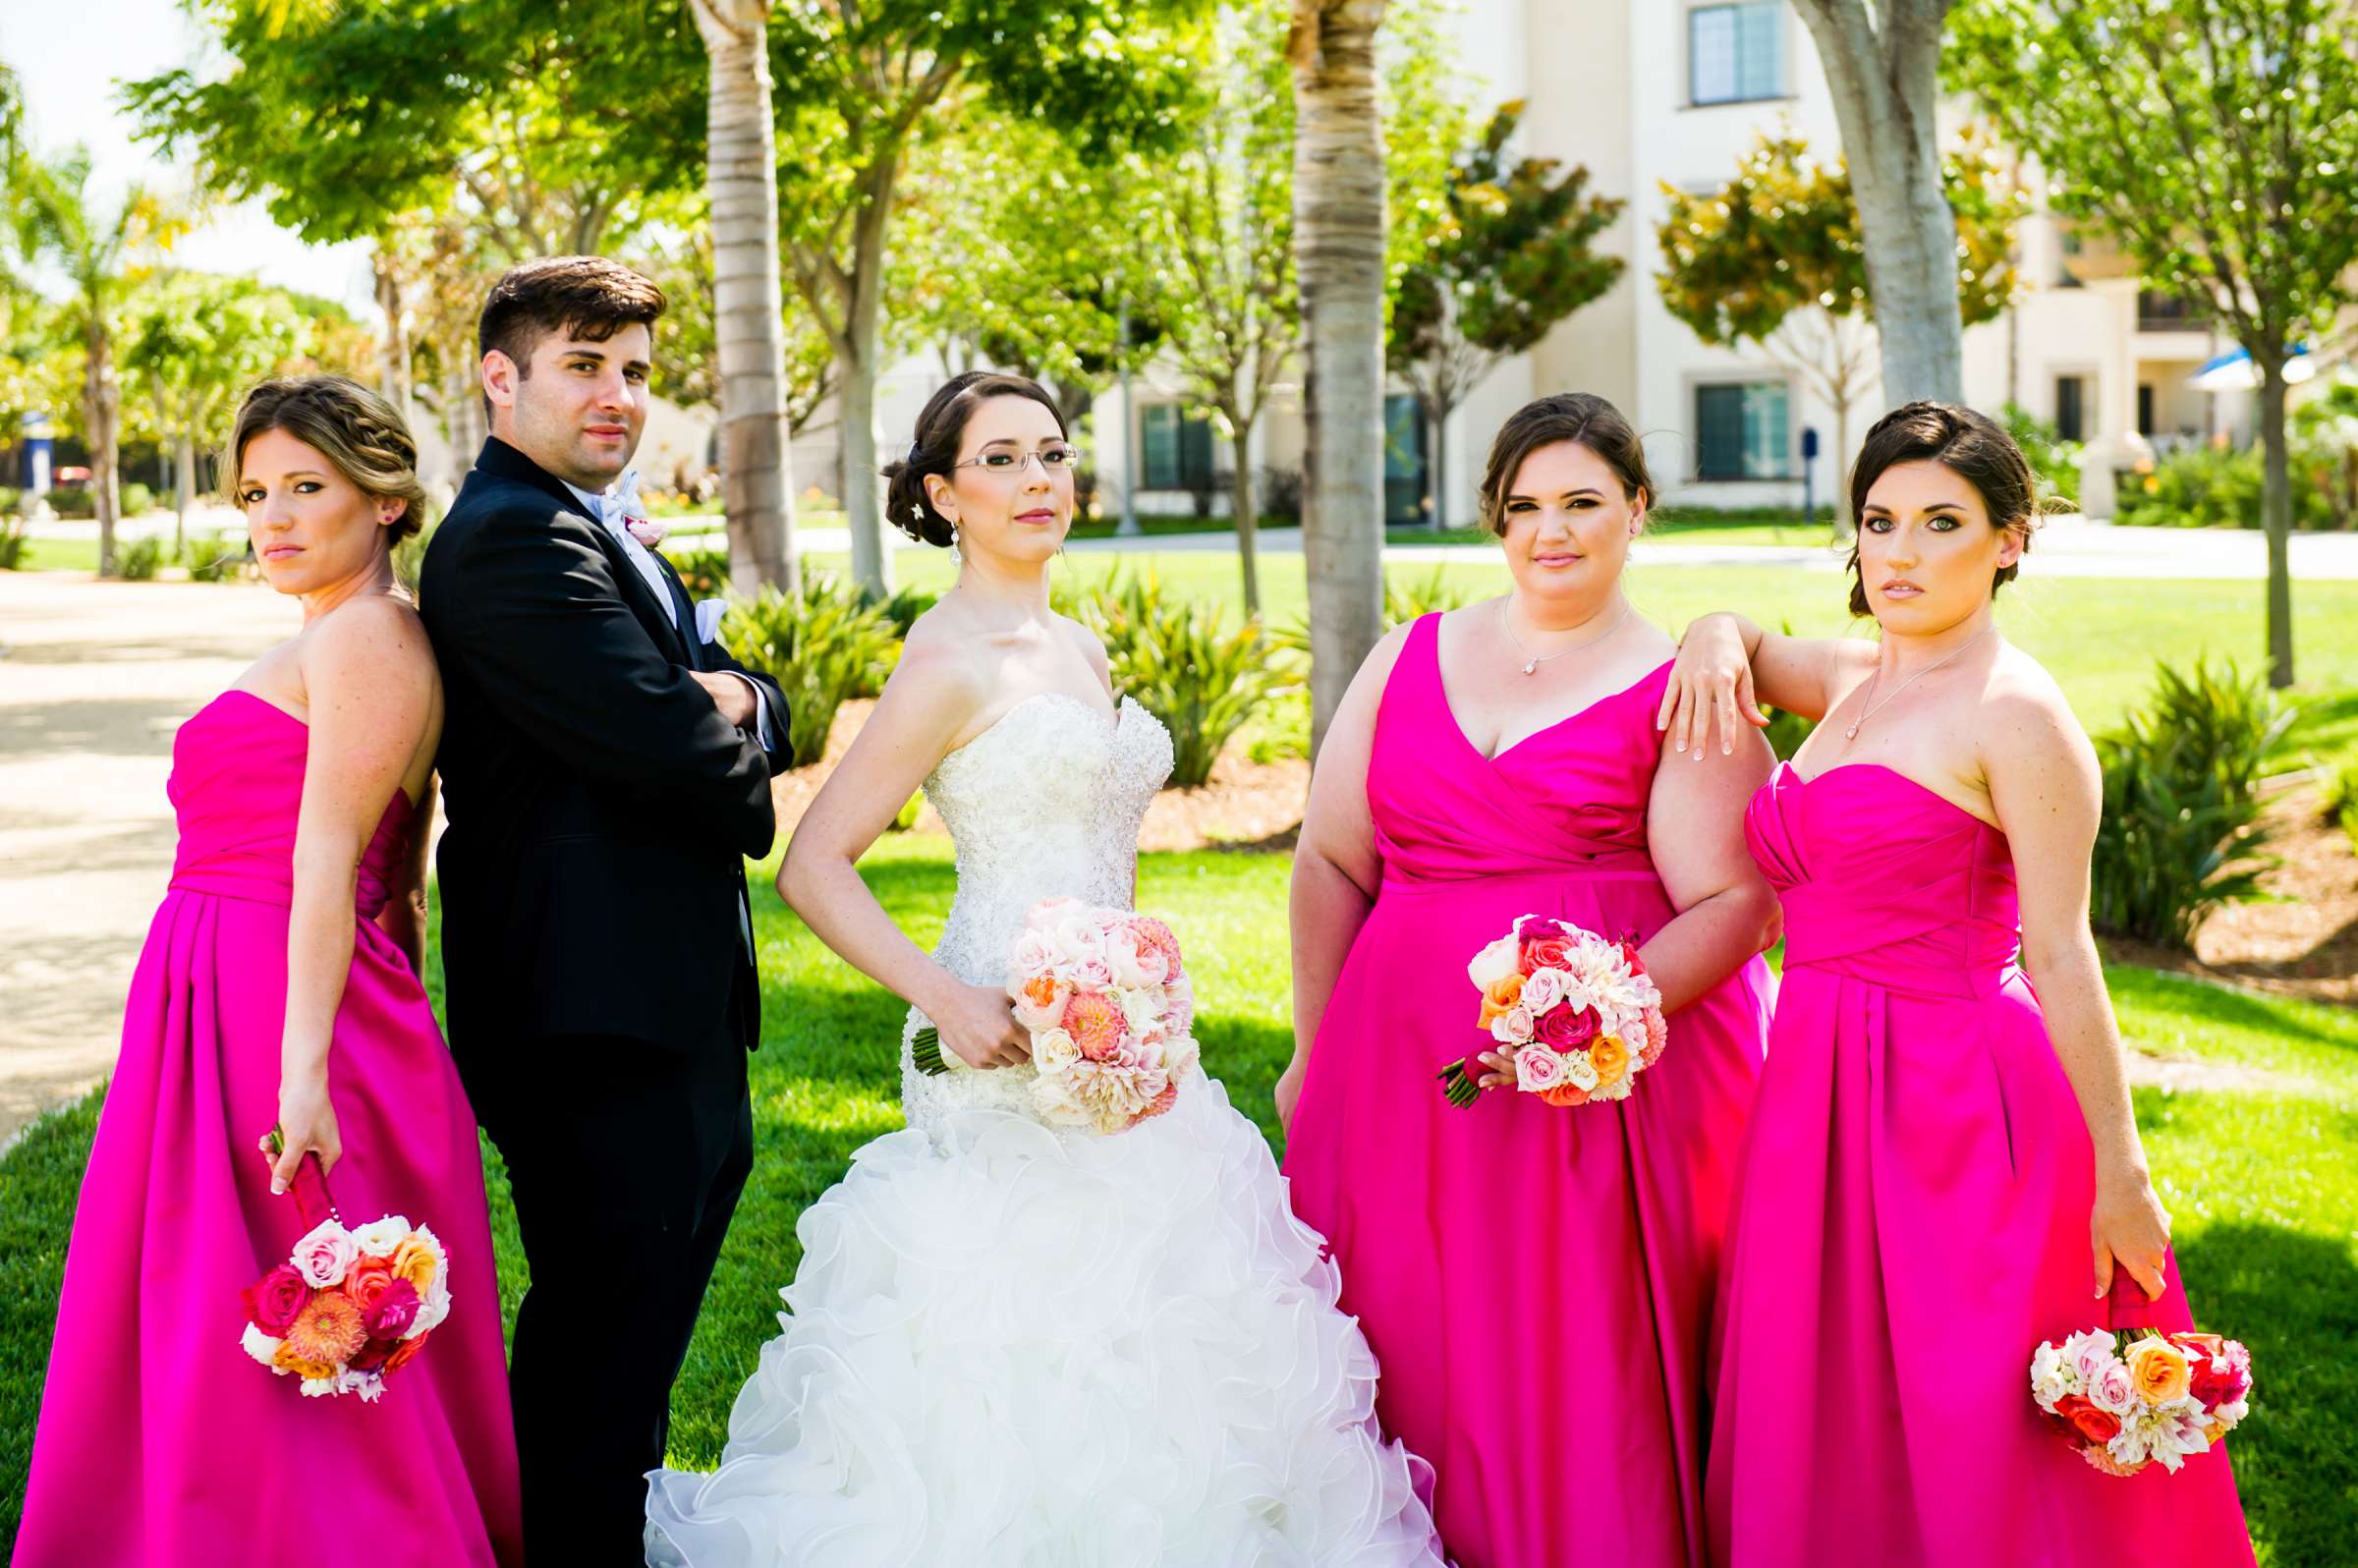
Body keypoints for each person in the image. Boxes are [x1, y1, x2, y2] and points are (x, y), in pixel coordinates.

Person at [643, 370, 1443, 1567]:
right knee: (1022, 1337)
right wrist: (945, 999)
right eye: (1004, 460)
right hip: (1004, 1050)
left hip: (1136, 1055)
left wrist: (1136, 987)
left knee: (1167, 1322)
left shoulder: (1080, 638)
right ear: (943, 494)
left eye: (1055, 455)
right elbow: (815, 863)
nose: (1039, 481)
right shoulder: (950, 657)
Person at [1661, 401, 2254, 1566]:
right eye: (1880, 522)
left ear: (2011, 540)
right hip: (1815, 1092)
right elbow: (1735, 628)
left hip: (1959, 1101)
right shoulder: (1845, 677)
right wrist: (1712, 636)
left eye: (1943, 523)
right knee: (1823, 1385)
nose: (1902, 552)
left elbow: (2062, 951)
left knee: (1963, 1399)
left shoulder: (2017, 714)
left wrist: (2122, 1174)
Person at [14, 376, 522, 1566]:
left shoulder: (371, 637)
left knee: (286, 1305)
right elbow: (400, 879)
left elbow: (335, 855)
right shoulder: (338, 632)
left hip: (275, 1002)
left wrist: (304, 1071)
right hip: (224, 988)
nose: (273, 519)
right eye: (256, 493)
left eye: (308, 487)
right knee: (213, 1301)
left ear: (386, 500)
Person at [1277, 392, 1777, 1568]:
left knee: (1553, 1355)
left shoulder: (1680, 680)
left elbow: (1739, 904)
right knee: (1397, 1326)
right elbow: (1332, 857)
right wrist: (1315, 1049)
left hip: (1595, 1093)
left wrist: (1591, 1016)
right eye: (1523, 507)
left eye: (1582, 503)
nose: (1551, 532)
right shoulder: (1408, 652)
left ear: (1637, 510)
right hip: (1394, 1070)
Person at [417, 255, 788, 1561]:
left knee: (628, 1357)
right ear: (500, 376)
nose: (619, 396)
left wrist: (732, 700)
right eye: (585, 366)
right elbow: (677, 749)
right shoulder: (508, 538)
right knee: (597, 1352)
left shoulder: (588, 525)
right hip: (590, 1021)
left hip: (660, 1004)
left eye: (633, 371)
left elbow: (737, 694)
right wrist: (729, 723)